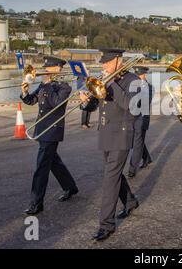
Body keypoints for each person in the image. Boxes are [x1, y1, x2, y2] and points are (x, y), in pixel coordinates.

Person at [80, 49, 140, 242]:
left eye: (106, 62)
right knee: (112, 172)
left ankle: (106, 224)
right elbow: (94, 105)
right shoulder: (103, 78)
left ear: (118, 60)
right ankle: (130, 201)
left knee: (109, 177)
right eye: (103, 62)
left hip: (121, 134)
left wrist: (112, 84)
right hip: (105, 132)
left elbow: (133, 107)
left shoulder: (132, 80)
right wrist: (85, 103)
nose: (103, 66)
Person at [21, 56, 79, 215]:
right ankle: (70, 187)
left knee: (41, 167)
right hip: (42, 129)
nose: (45, 70)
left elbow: (55, 104)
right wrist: (25, 91)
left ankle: (36, 203)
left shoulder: (64, 87)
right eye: (45, 68)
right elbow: (31, 101)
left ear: (58, 69)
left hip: (52, 130)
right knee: (53, 161)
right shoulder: (44, 83)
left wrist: (47, 85)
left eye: (49, 68)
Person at [128, 66, 153, 178]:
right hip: (132, 118)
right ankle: (147, 158)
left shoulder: (149, 87)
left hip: (142, 118)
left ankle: (132, 169)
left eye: (139, 75)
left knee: (137, 143)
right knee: (137, 141)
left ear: (144, 75)